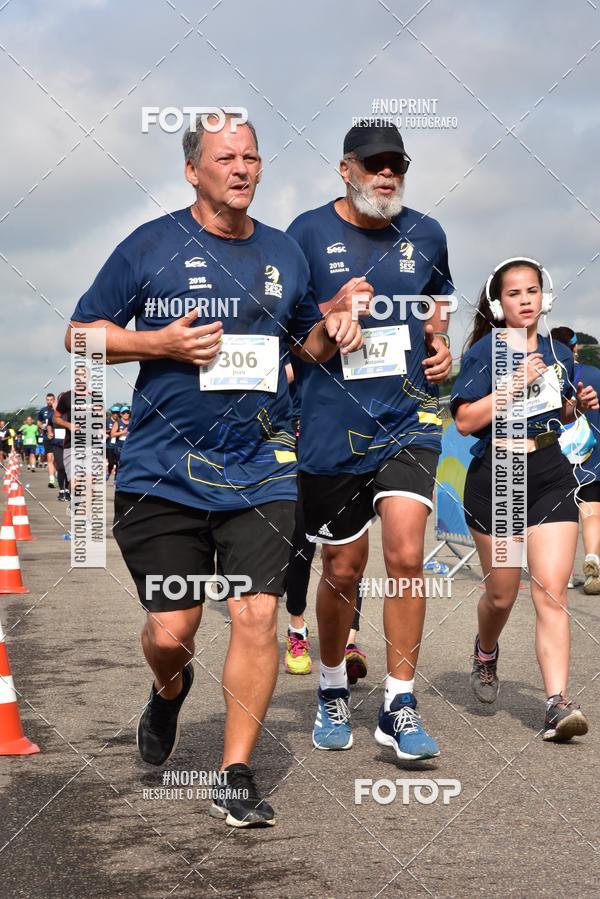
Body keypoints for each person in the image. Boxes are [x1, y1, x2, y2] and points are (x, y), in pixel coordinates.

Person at [65, 111, 361, 828]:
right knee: (172, 631)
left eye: (251, 157)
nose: (242, 169)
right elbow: (79, 335)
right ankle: (170, 689)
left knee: (257, 613)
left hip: (260, 465)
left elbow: (302, 349)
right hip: (162, 471)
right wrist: (158, 343)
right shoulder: (149, 245)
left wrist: (333, 326)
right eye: (226, 158)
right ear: (192, 169)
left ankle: (234, 773)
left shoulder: (285, 252)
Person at [287, 122, 453, 759]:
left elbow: (437, 304)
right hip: (333, 428)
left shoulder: (427, 233)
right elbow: (294, 351)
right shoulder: (305, 235)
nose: (387, 175)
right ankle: (332, 685)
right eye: (374, 164)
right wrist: (332, 315)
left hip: (409, 420)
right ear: (346, 168)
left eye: (397, 165)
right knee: (343, 568)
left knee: (407, 554)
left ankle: (398, 703)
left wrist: (440, 345)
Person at [451, 258, 598, 741]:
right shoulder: (485, 353)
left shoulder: (558, 351)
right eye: (514, 294)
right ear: (498, 305)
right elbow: (465, 421)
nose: (525, 300)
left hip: (551, 471)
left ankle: (557, 702)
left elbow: (560, 410)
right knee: (502, 593)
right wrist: (514, 382)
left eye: (532, 290)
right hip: (501, 474)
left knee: (552, 591)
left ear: (544, 296)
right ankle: (486, 651)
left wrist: (578, 405)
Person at [283, 360, 367, 681]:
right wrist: (303, 360)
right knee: (300, 545)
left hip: (347, 443)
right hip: (300, 443)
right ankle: (297, 629)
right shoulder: (294, 338)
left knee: (350, 550)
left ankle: (348, 641)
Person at [550, 326, 600, 595]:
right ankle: (592, 558)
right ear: (575, 348)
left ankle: (564, 574)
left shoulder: (547, 377)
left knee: (561, 517)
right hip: (591, 454)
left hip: (556, 456)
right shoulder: (593, 374)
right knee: (591, 511)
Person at [38, 393, 58, 487]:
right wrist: (41, 426)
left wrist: (55, 408)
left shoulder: (58, 410)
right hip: (47, 437)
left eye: (51, 400)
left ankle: (57, 475)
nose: (49, 401)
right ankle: (51, 479)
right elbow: (39, 421)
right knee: (50, 458)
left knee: (57, 459)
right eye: (48, 400)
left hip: (58, 437)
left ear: (54, 400)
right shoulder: (43, 410)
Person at [106, 405, 121, 481]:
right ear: (111, 413)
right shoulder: (107, 421)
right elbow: (100, 430)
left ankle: (116, 478)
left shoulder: (120, 422)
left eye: (117, 413)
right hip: (109, 445)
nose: (115, 414)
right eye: (114, 413)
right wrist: (108, 431)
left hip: (118, 445)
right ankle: (108, 472)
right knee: (111, 463)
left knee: (118, 463)